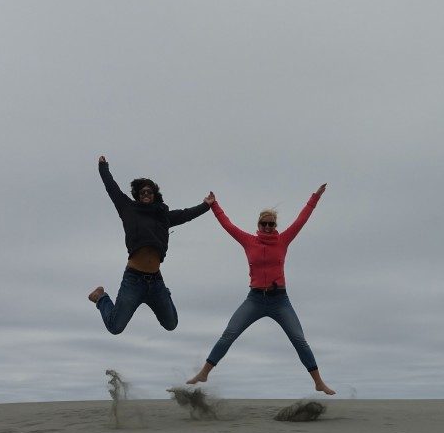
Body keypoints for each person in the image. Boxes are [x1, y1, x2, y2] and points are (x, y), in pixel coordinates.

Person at [187, 184, 335, 395]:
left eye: (271, 224)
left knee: (299, 340)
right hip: (255, 299)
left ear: (275, 225)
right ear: (258, 224)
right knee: (229, 334)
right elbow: (228, 225)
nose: (267, 227)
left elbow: (302, 219)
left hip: (280, 301)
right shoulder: (249, 241)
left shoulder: (283, 240)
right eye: (264, 223)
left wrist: (314, 198)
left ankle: (319, 382)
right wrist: (214, 205)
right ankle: (204, 373)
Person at [89, 155, 213, 334]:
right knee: (115, 327)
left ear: (155, 195)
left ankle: (165, 293)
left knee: (171, 324)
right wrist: (103, 167)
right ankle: (101, 297)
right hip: (133, 280)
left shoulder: (163, 215)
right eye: (142, 192)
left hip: (155, 281)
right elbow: (112, 189)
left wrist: (206, 205)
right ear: (138, 196)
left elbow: (186, 214)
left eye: (149, 192)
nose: (145, 194)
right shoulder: (128, 209)